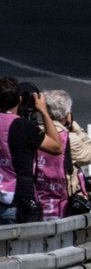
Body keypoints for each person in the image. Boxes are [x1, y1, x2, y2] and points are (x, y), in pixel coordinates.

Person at [1, 78, 62, 223]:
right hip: (18, 200)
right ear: (20, 99)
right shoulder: (23, 126)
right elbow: (56, 147)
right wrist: (44, 112)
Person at [36, 90, 91, 219]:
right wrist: (75, 126)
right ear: (67, 114)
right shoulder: (69, 139)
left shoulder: (32, 132)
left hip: (37, 201)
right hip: (63, 205)